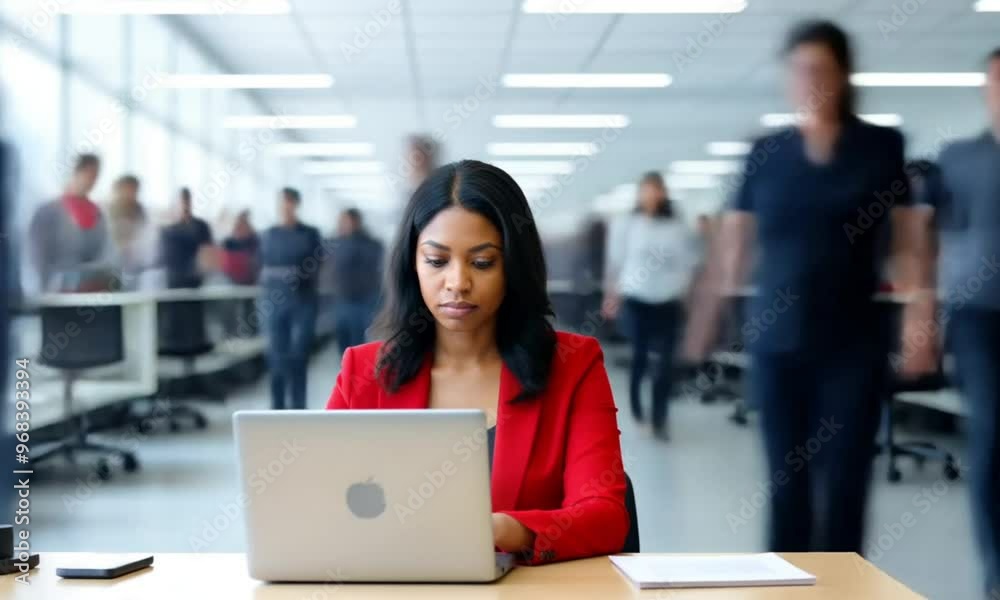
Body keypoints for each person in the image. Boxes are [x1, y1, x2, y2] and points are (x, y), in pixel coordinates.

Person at [684, 21, 916, 554]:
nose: (808, 78)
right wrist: (705, 316)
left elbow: (907, 241)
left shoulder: (880, 146)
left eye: (820, 67)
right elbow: (734, 244)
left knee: (845, 486)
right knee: (787, 489)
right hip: (779, 341)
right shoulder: (766, 153)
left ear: (842, 74)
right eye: (798, 68)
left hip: (853, 341)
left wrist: (919, 312)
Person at [326, 160, 629, 564]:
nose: (457, 283)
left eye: (483, 262)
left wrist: (504, 530)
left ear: (513, 267)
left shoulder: (574, 366)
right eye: (437, 261)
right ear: (411, 264)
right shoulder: (363, 372)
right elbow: (323, 510)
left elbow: (606, 518)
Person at [905, 47, 1000, 599]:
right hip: (979, 315)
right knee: (991, 433)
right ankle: (996, 571)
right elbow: (925, 241)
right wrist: (923, 316)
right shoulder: (959, 158)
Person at [601, 172, 701, 440]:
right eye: (646, 190)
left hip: (668, 300)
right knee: (640, 356)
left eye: (656, 190)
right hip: (637, 299)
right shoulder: (628, 224)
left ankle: (660, 416)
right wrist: (611, 296)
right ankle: (637, 411)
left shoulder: (676, 227)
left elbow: (688, 264)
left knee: (666, 362)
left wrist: (689, 299)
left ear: (663, 193)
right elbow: (616, 263)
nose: (652, 196)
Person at [260, 188, 322, 410]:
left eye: (289, 203)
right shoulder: (269, 235)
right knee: (276, 358)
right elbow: (260, 266)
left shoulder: (310, 234)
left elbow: (316, 266)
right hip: (274, 303)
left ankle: (298, 409)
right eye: (282, 203)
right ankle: (276, 410)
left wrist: (295, 274)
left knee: (298, 356)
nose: (286, 207)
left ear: (296, 205)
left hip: (302, 302)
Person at [28, 153, 115, 292]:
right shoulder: (47, 212)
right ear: (76, 172)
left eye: (95, 176)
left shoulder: (97, 214)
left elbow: (104, 253)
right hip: (54, 291)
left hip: (89, 290)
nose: (92, 181)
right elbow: (37, 257)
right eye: (89, 174)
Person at [330, 208, 383, 353]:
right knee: (343, 339)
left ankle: (355, 372)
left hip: (363, 300)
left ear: (356, 222)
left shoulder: (370, 244)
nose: (341, 225)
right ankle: (346, 371)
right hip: (342, 299)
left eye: (345, 221)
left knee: (358, 341)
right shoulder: (336, 243)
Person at [107, 174, 157, 288]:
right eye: (130, 189)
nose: (133, 193)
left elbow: (147, 233)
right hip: (115, 261)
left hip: (137, 262)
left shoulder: (140, 209)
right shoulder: (112, 209)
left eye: (135, 190)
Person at [161, 187, 213, 288]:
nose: (184, 204)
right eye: (181, 200)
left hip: (196, 284)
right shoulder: (168, 230)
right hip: (173, 284)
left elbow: (208, 254)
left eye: (187, 200)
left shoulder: (201, 226)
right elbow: (165, 258)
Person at [220, 210, 260, 285]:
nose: (240, 227)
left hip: (251, 283)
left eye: (244, 224)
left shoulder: (255, 241)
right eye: (238, 224)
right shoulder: (228, 243)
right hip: (230, 284)